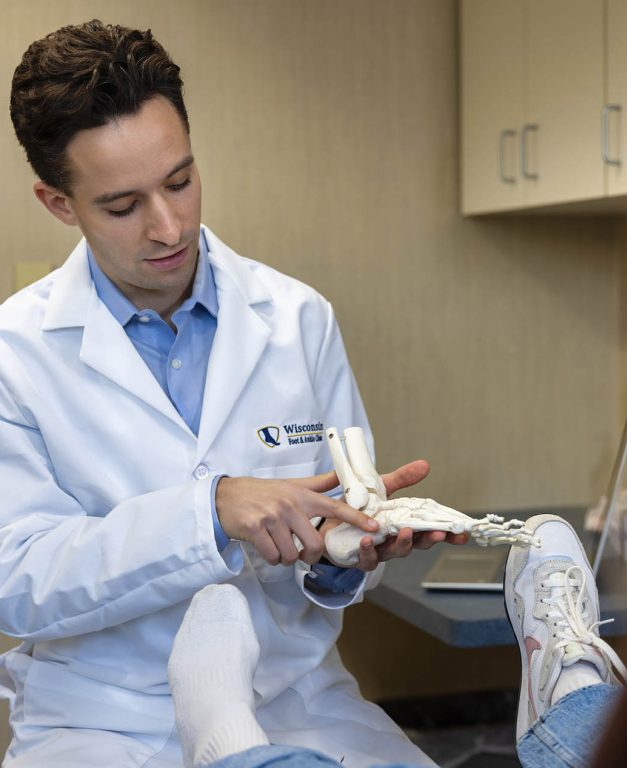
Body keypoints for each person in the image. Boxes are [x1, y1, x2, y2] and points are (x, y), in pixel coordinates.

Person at [0, 19, 465, 767]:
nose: (169, 225)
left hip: (292, 699)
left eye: (180, 181)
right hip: (99, 720)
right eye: (123, 207)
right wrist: (210, 510)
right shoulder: (13, 353)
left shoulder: (297, 318)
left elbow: (333, 556)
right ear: (59, 203)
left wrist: (348, 553)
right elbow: (16, 579)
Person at [166, 514, 627, 768]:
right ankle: (570, 691)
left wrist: (336, 550)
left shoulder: (305, 333)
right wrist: (211, 506)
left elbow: (349, 507)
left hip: (303, 690)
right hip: (107, 698)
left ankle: (217, 732)